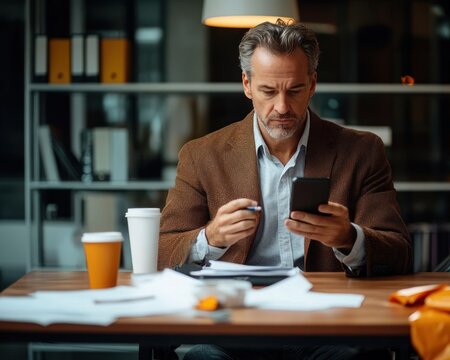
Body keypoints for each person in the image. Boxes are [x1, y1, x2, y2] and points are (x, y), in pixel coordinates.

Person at [159, 19, 411, 360]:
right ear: (247, 84)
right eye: (268, 91)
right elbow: (162, 253)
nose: (281, 107)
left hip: (327, 325)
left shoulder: (361, 152)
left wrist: (349, 238)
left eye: (294, 90)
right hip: (235, 328)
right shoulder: (201, 154)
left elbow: (399, 252)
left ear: (312, 85)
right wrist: (211, 237)